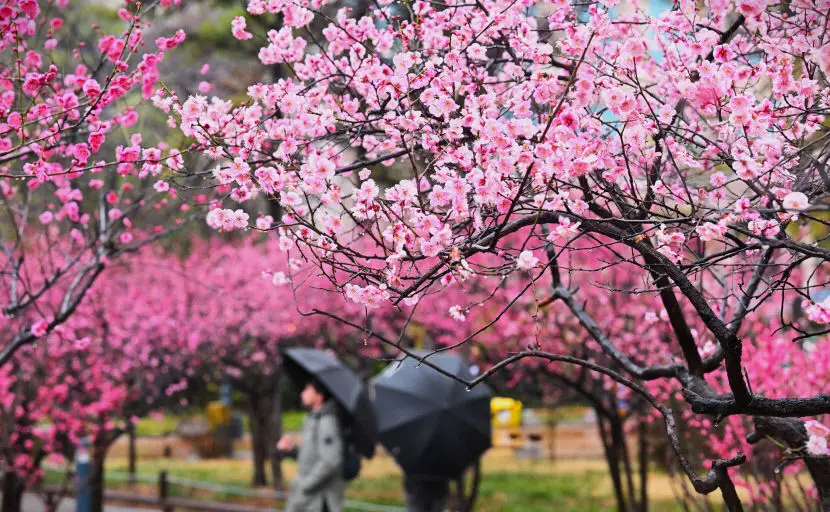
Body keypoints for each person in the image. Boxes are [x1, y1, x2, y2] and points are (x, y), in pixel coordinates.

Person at [277, 379, 344, 512]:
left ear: (319, 395)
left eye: (307, 390)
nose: (303, 393)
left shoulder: (326, 421)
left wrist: (306, 484)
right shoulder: (312, 418)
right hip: (309, 499)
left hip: (320, 500)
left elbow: (331, 460)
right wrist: (291, 449)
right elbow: (311, 454)